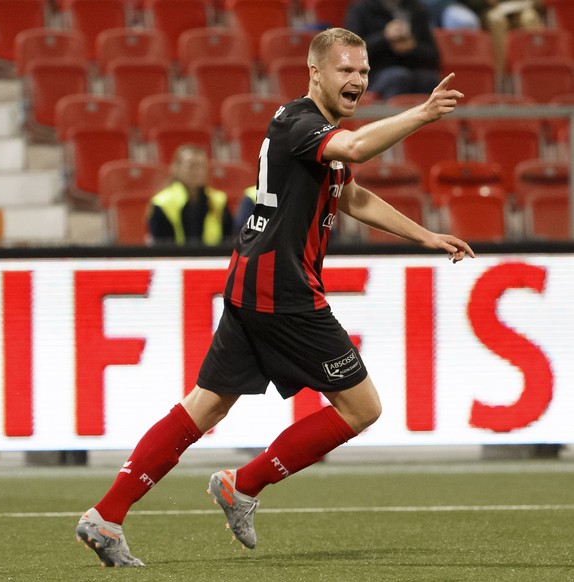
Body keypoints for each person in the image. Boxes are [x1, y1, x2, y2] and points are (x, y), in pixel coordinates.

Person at [75, 27, 474, 567]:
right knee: (362, 407)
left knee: (205, 405)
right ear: (315, 72)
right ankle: (244, 483)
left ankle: (107, 515)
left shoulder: (317, 131)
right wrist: (422, 114)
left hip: (253, 284)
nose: (357, 79)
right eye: (345, 70)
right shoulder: (301, 124)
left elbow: (350, 192)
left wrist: (424, 235)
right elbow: (355, 149)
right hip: (283, 293)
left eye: (362, 71)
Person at [344, 0, 442, 99]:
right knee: (398, 77)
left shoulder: (417, 9)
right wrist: (384, 37)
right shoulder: (360, 9)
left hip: (412, 69)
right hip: (373, 74)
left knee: (430, 80)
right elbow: (352, 53)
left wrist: (413, 47)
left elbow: (434, 56)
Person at [147, 145, 233, 246]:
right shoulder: (161, 203)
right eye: (192, 166)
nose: (197, 171)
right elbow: (159, 245)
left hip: (214, 260)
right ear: (176, 168)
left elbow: (229, 239)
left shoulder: (219, 201)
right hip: (174, 260)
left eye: (202, 166)